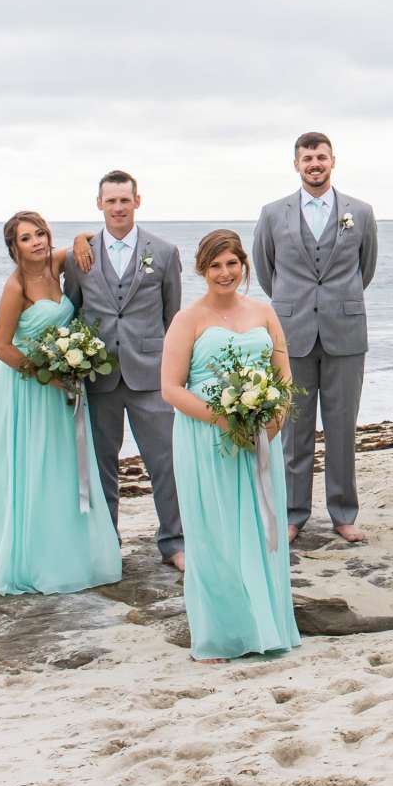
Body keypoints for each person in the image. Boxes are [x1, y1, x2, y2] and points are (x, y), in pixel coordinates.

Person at [161, 230, 300, 662]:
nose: (225, 273)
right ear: (202, 270)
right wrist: (225, 419)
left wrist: (272, 422)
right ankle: (220, 636)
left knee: (262, 531)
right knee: (215, 533)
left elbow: (284, 378)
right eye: (215, 265)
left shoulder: (264, 312)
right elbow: (170, 388)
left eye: (232, 264)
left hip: (259, 439)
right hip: (207, 438)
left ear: (244, 266)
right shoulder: (188, 319)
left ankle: (266, 626)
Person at [252, 132, 378, 544]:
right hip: (293, 333)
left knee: (342, 428)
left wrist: (337, 301)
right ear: (296, 164)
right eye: (307, 158)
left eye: (321, 157)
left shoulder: (361, 212)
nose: (315, 164)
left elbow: (366, 268)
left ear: (333, 161)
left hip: (345, 332)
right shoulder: (273, 214)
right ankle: (293, 514)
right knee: (293, 429)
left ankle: (344, 514)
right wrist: (295, 305)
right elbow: (265, 269)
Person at [0, 211, 123, 596]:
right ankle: (38, 558)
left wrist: (80, 239)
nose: (37, 242)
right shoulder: (15, 286)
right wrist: (46, 372)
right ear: (14, 247)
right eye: (27, 238)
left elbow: (86, 240)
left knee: (67, 468)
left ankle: (77, 552)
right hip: (29, 394)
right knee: (37, 470)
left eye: (41, 234)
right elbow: (0, 347)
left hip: (65, 388)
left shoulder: (55, 263)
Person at [64, 171, 185, 570]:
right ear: (99, 204)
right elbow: (74, 311)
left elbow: (173, 319)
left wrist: (175, 372)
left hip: (149, 374)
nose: (118, 207)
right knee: (101, 465)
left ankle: (174, 541)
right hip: (99, 376)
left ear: (138, 201)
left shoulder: (164, 253)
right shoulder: (77, 256)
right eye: (111, 200)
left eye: (124, 200)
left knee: (165, 462)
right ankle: (105, 542)